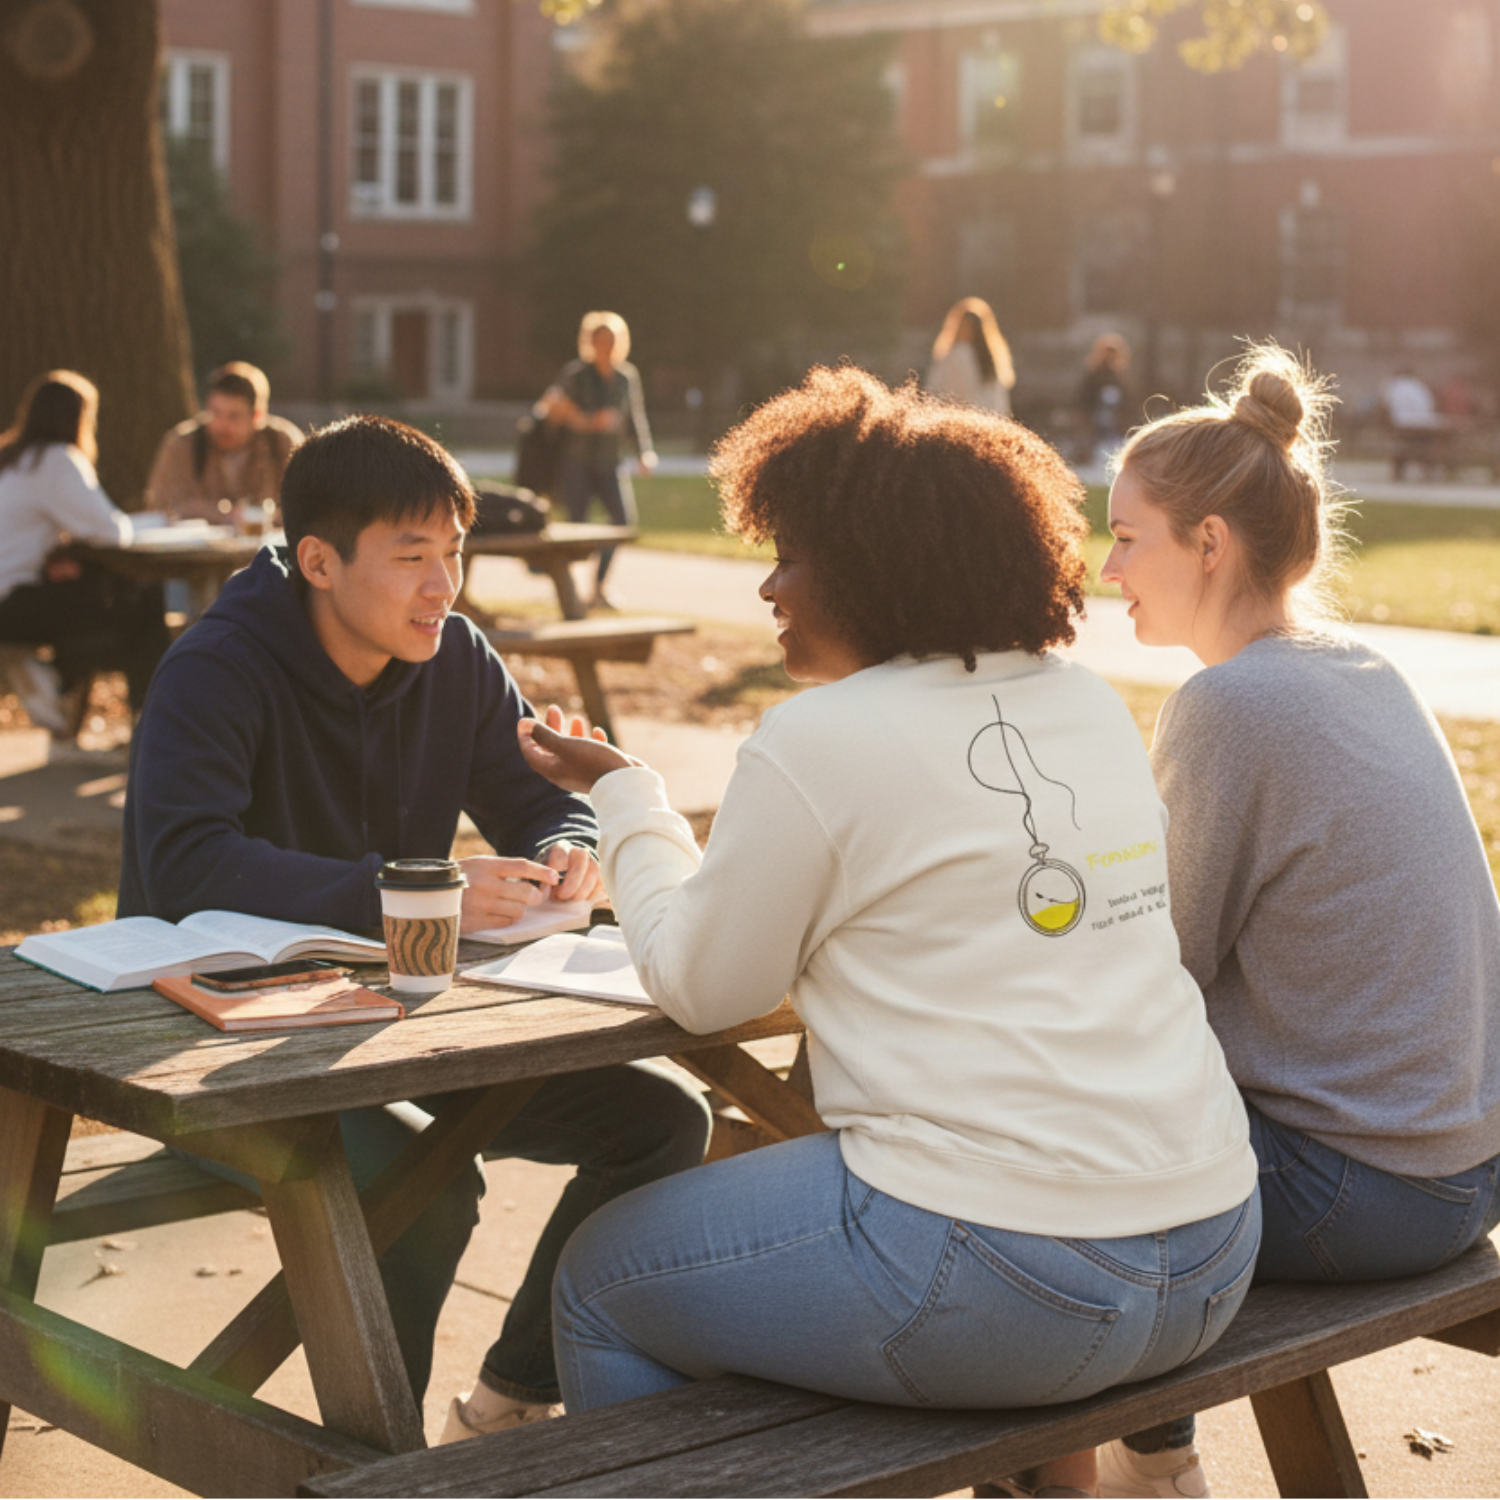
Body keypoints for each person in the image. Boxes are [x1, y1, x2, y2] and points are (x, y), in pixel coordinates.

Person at [515, 366, 1261, 1500]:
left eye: (793, 555)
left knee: (603, 1277)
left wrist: (628, 797)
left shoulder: (820, 738)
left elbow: (703, 988)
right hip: (1212, 1247)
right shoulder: (1087, 703)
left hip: (1010, 1275)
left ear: (875, 568)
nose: (769, 585)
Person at [119, 415, 711, 1432]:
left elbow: (544, 796)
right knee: (426, 1191)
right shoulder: (218, 667)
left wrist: (573, 843)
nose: (446, 587)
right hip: (215, 1048)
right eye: (411, 559)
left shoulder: (455, 657)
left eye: (455, 554)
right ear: (317, 561)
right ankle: (378, 1466)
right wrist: (409, 891)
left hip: (411, 1029)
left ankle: (510, 1400)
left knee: (663, 1121)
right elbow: (185, 867)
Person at [1095, 345, 1500, 1498]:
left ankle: (1142, 1466)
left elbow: (1157, 971)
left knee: (1037, 1159)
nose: (1109, 566)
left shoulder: (1230, 703)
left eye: (1130, 537)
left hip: (1362, 1193)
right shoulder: (1366, 666)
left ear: (1209, 543)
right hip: (1469, 1166)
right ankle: (1150, 1457)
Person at [0, 371, 170, 734]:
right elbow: (113, 533)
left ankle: (51, 680)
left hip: (15, 599)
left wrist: (59, 550)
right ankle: (146, 720)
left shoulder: (11, 458)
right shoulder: (57, 461)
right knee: (142, 600)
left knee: (100, 600)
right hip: (11, 602)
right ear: (78, 418)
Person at [540, 312, 656, 611]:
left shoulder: (626, 377)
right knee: (576, 529)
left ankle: (600, 586)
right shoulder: (576, 374)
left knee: (622, 521)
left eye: (610, 340)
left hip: (610, 461)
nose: (605, 345)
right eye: (599, 340)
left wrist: (644, 452)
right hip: (576, 461)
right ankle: (571, 593)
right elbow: (551, 406)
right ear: (590, 342)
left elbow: (634, 417)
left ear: (619, 342)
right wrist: (589, 421)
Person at [145, 361, 302, 523]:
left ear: (257, 416)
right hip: (197, 548)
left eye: (234, 416)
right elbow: (160, 506)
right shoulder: (182, 444)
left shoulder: (283, 443)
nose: (222, 425)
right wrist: (221, 515)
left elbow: (309, 507)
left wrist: (264, 517)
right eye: (215, 413)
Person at [926, 296, 1017, 416]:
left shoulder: (957, 354)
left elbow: (936, 390)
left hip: (959, 421)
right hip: (987, 422)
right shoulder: (991, 359)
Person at [1077, 334, 1134, 466]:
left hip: (1116, 421)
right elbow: (1084, 399)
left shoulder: (1121, 377)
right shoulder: (1093, 376)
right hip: (1095, 418)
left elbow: (1129, 400)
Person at [1382, 366, 1446, 481]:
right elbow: (1428, 405)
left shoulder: (1393, 386)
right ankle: (1428, 468)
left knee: (1407, 444)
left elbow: (1387, 404)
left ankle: (1401, 469)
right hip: (1420, 424)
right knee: (1428, 443)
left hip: (1400, 423)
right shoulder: (1417, 386)